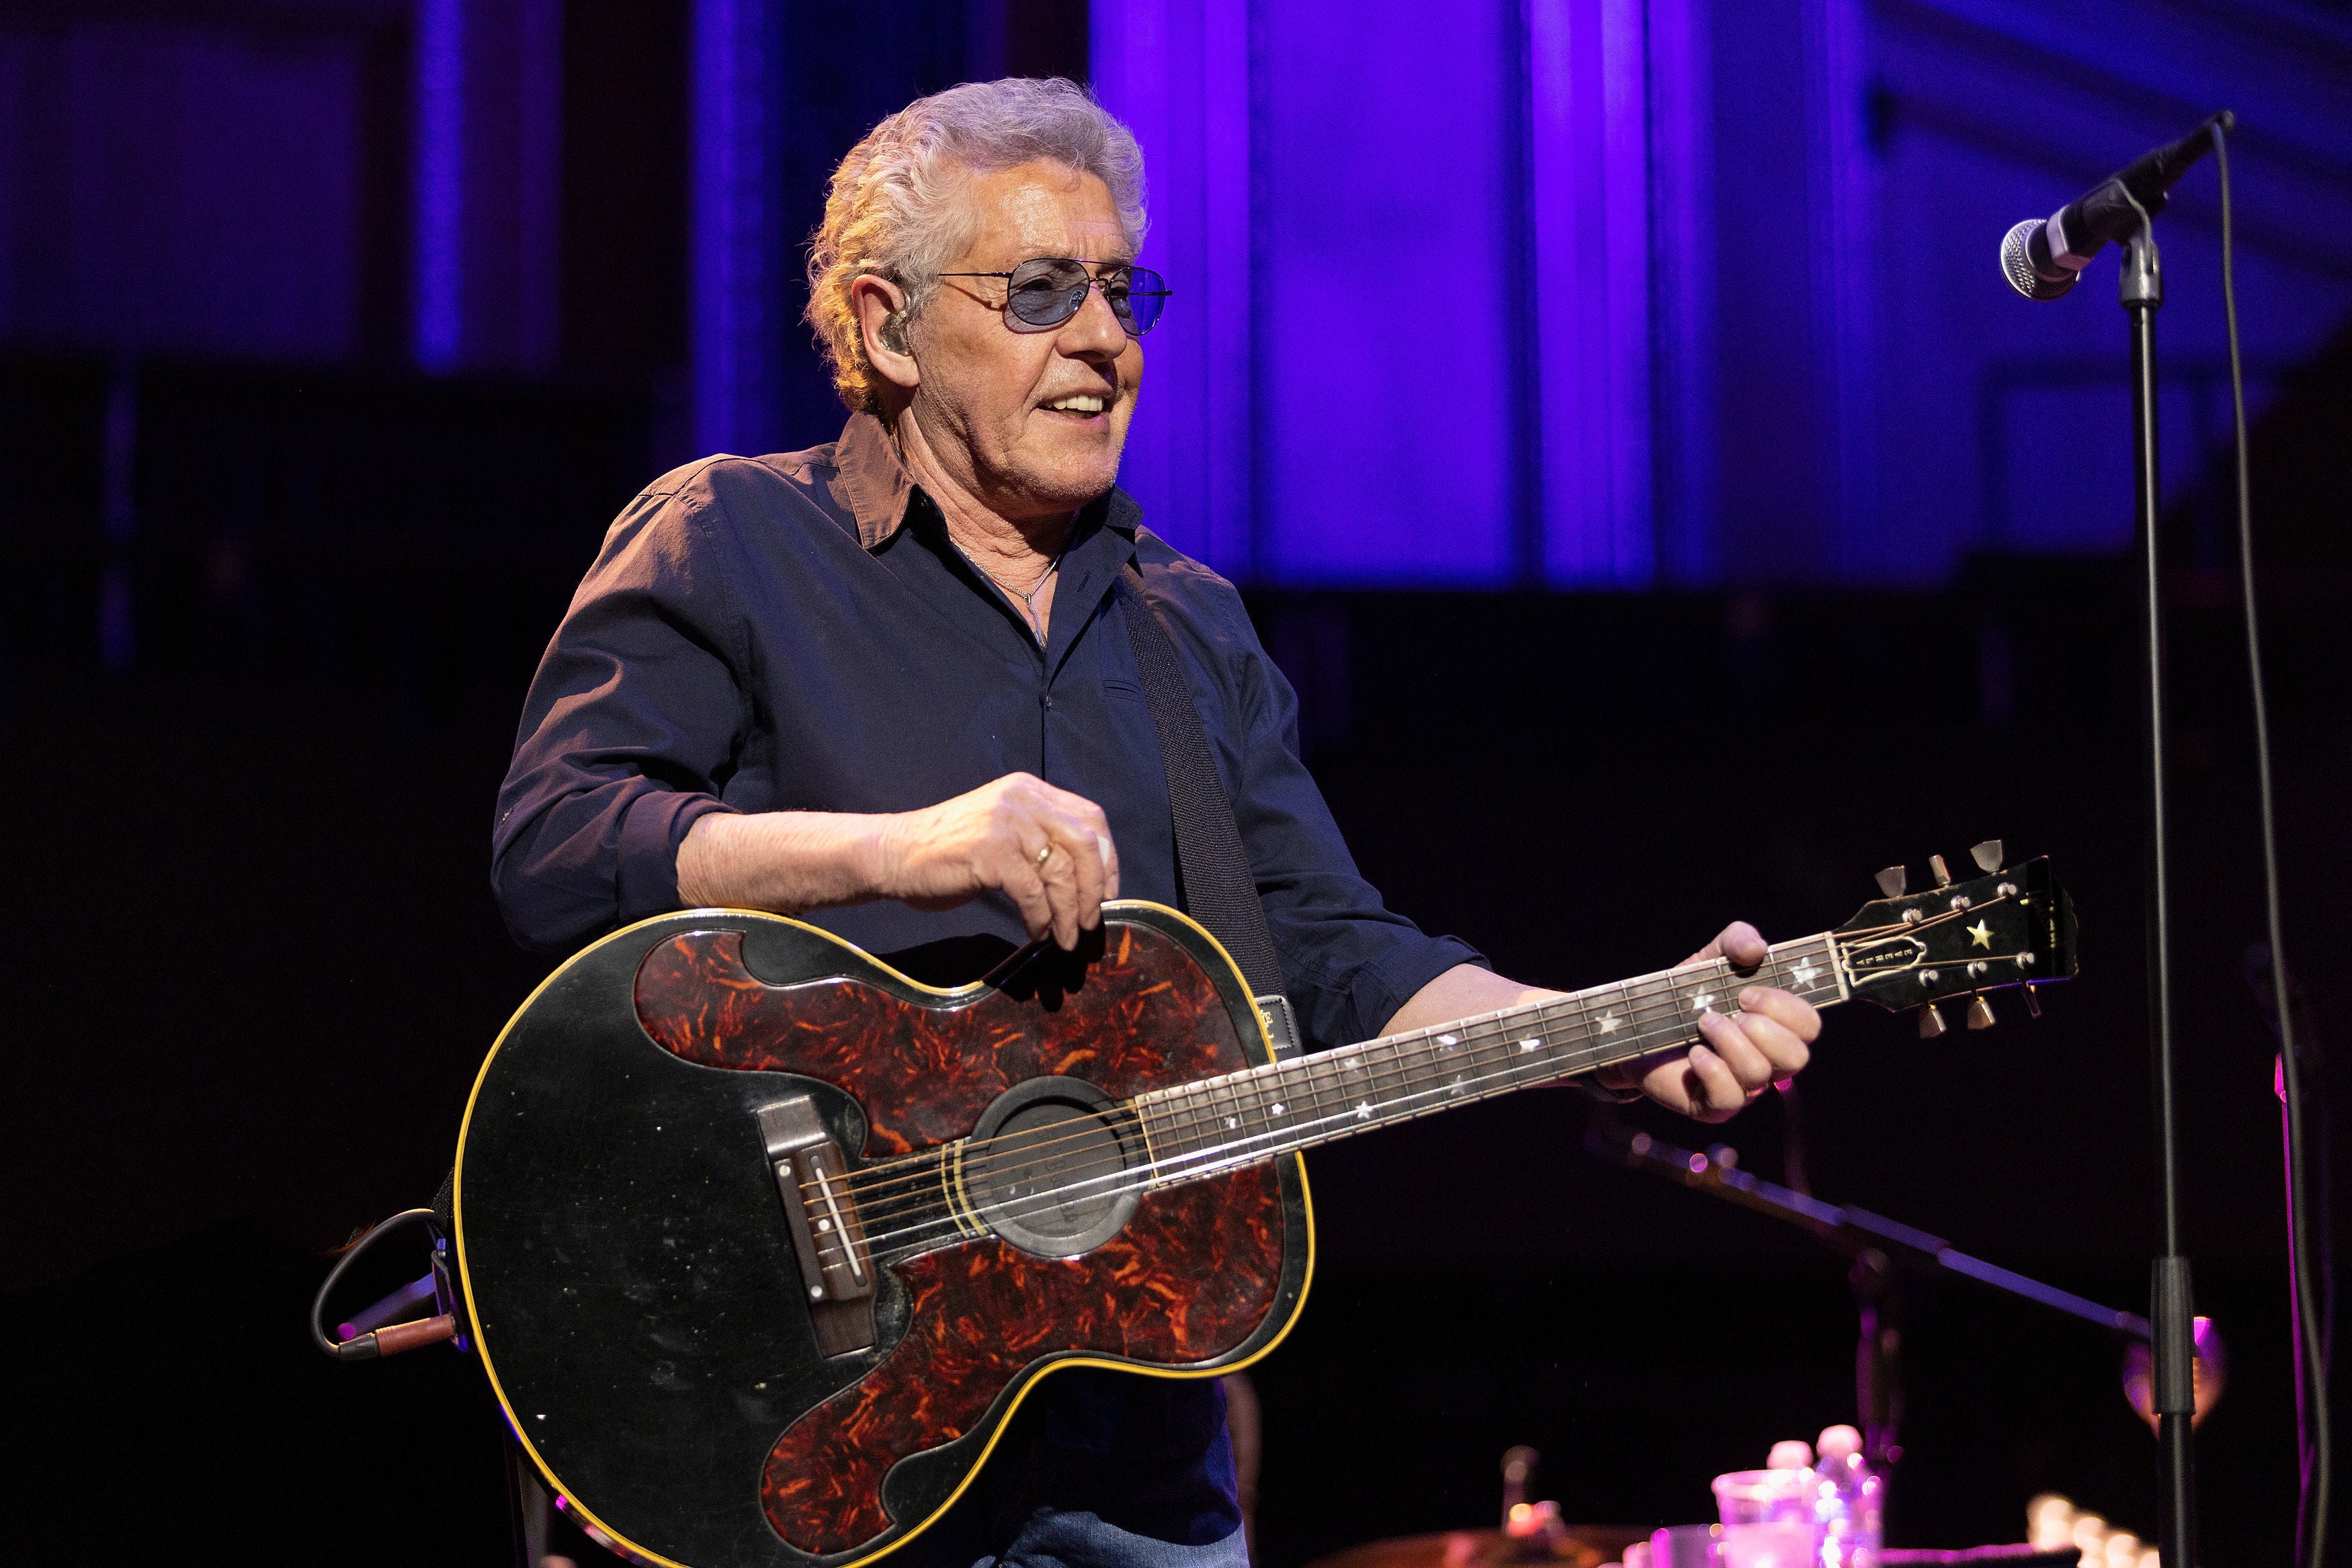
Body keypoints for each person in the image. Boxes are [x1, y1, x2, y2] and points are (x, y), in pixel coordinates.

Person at [493, 76, 1818, 1568]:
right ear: (881, 326)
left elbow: (1330, 950)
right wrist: (897, 848)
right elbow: (556, 842)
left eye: (1122, 290)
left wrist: (1603, 1033)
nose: (1106, 340)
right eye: (1041, 291)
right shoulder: (732, 536)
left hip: (1131, 1459)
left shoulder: (1190, 629)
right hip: (793, 1412)